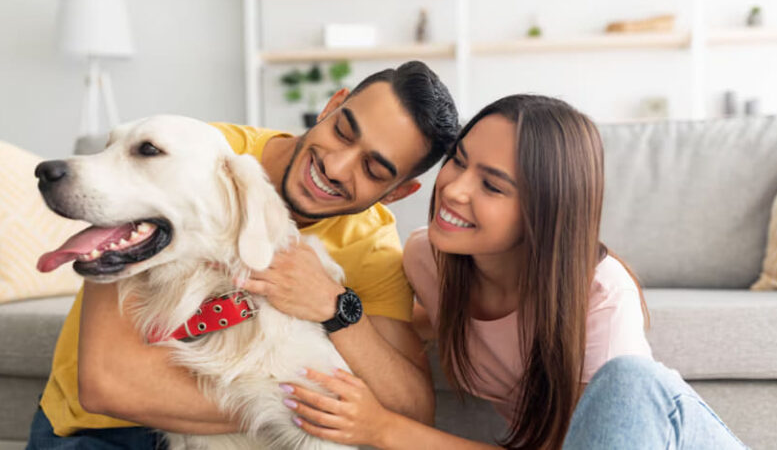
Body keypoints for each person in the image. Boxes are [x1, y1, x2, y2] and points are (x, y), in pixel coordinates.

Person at [26, 61, 460, 448]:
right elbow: (108, 385)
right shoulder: (196, 152)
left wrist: (335, 305)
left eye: (374, 169)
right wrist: (310, 410)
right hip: (104, 433)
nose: (336, 166)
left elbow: (407, 413)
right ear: (332, 105)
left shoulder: (371, 242)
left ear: (398, 192)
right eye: (343, 131)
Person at [280, 95, 748, 449]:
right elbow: (406, 329)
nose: (455, 190)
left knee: (630, 380)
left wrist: (384, 429)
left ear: (542, 210)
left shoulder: (601, 293)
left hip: (669, 435)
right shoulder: (429, 260)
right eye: (458, 161)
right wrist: (331, 303)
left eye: (492, 186)